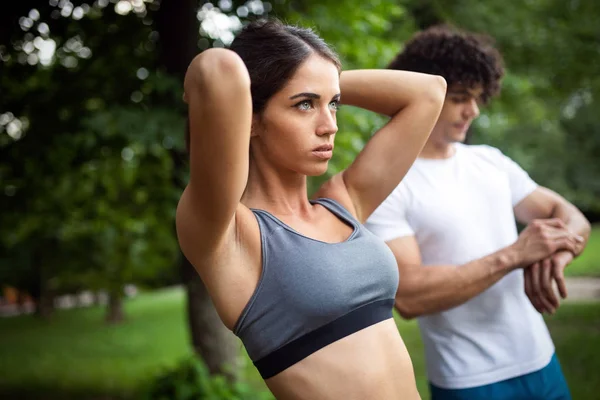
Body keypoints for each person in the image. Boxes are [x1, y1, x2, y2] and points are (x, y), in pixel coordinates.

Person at [176, 19, 447, 399]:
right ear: (250, 118)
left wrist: (321, 82)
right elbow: (218, 69)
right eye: (305, 105)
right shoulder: (228, 236)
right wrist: (285, 82)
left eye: (332, 104)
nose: (329, 125)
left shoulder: (343, 204)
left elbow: (430, 92)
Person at [365, 25, 591, 400]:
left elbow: (569, 215)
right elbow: (409, 296)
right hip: (468, 380)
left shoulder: (490, 161)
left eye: (478, 97)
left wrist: (559, 253)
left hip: (542, 361)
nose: (472, 110)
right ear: (423, 95)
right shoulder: (389, 184)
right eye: (459, 97)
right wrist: (516, 255)